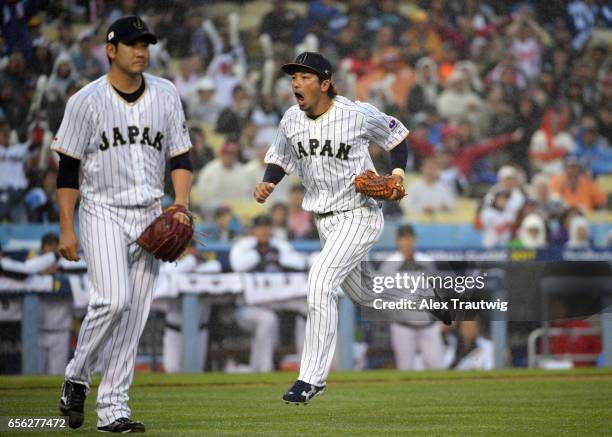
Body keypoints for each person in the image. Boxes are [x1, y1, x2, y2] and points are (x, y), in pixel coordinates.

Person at [253, 52, 449, 404]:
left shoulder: (355, 113)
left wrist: (399, 173)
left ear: (325, 83)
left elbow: (397, 136)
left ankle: (311, 377)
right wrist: (269, 182)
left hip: (359, 214)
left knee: (320, 281)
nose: (296, 82)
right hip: (324, 221)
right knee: (365, 293)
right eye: (293, 76)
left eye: (305, 76)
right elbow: (279, 157)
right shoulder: (290, 120)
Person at [51, 16, 193, 433]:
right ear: (110, 50)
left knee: (133, 316)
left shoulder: (166, 94)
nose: (141, 51)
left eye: (145, 43)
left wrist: (181, 203)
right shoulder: (85, 100)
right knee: (112, 300)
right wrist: (66, 228)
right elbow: (67, 170)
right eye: (132, 44)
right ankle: (77, 376)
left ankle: (113, 409)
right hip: (102, 209)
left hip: (151, 211)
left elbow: (180, 158)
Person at [229, 214, 307, 372]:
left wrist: (278, 257)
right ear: (253, 230)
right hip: (246, 304)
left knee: (308, 307)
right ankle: (263, 368)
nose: (264, 231)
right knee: (267, 320)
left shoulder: (278, 245)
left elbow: (299, 263)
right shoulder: (244, 245)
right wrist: (260, 254)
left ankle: (307, 361)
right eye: (260, 227)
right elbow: (237, 265)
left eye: (266, 227)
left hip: (275, 300)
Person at [380, 225, 446, 371]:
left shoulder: (426, 261)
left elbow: (438, 291)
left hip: (429, 326)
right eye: (403, 238)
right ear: (398, 241)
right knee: (405, 370)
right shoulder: (389, 265)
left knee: (438, 367)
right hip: (403, 327)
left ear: (414, 239)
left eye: (410, 238)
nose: (407, 242)